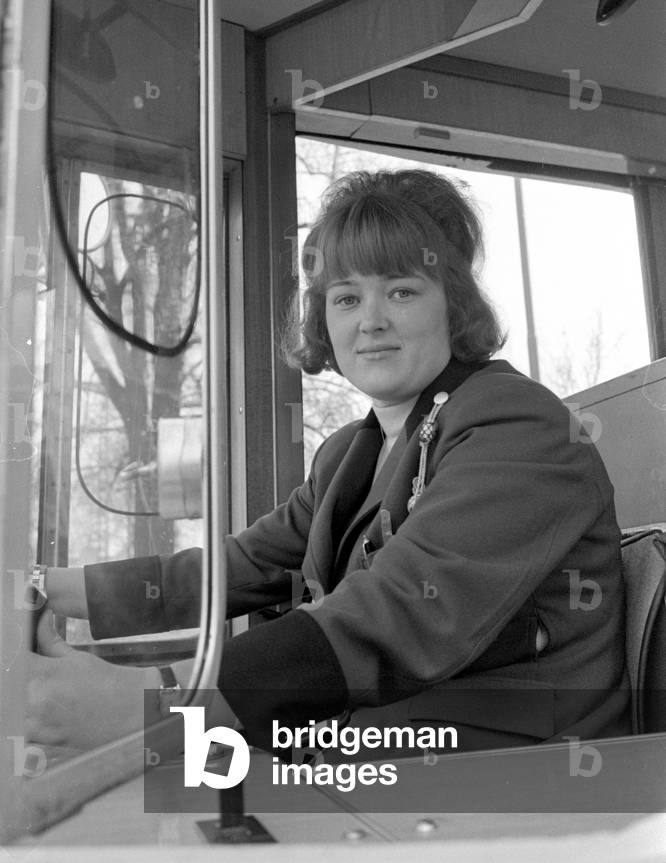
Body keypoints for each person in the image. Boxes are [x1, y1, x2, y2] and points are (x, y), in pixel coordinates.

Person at [26, 169, 630, 754]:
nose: (371, 320)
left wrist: (157, 703)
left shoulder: (519, 425)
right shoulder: (348, 453)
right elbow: (242, 566)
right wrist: (47, 589)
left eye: (401, 290)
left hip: (509, 772)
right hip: (369, 747)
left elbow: (399, 613)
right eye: (346, 298)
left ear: (455, 306)